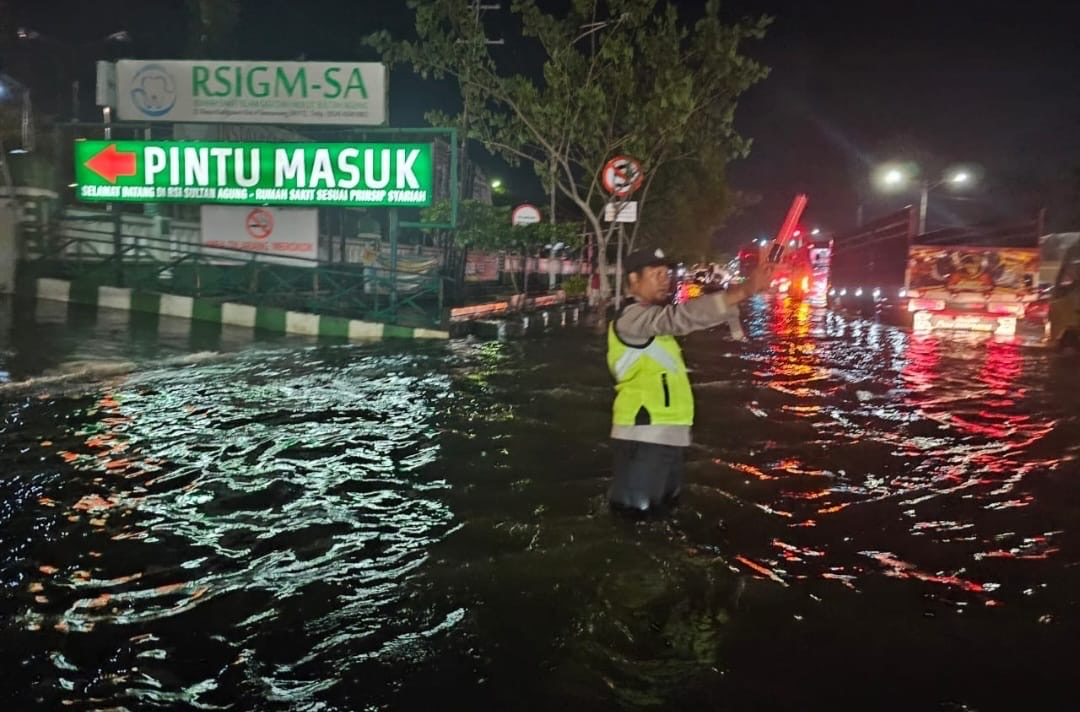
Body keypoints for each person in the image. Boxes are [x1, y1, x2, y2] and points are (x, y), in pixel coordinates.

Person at [607, 247, 772, 512]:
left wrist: (738, 304)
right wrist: (743, 290)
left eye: (666, 273)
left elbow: (690, 316)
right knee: (635, 526)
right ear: (634, 280)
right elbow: (682, 318)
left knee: (660, 523)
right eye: (655, 273)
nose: (665, 279)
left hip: (667, 437)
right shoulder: (631, 319)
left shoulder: (652, 320)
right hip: (644, 436)